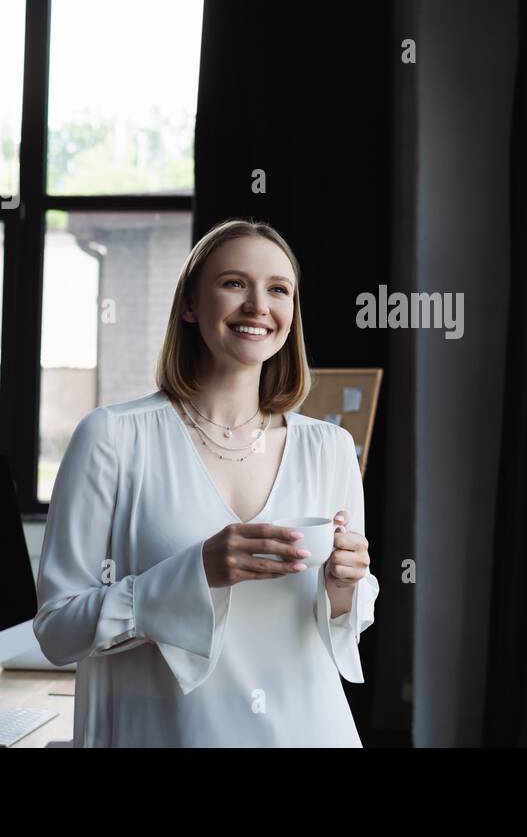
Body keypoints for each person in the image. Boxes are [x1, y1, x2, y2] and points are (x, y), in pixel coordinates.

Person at [34, 218, 377, 746]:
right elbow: (58, 631)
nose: (259, 305)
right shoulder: (112, 438)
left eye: (278, 289)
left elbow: (338, 624)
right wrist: (193, 574)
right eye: (235, 283)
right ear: (191, 305)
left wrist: (343, 585)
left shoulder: (328, 447)